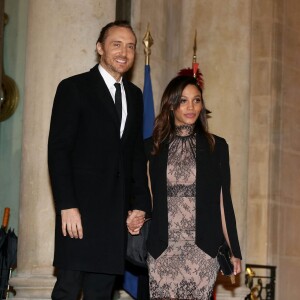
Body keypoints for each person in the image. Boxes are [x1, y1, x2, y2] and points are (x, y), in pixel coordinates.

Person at [48, 20, 151, 299]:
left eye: (130, 47)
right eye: (116, 44)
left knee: (101, 293)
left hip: (114, 216)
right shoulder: (74, 88)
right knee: (68, 289)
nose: (124, 52)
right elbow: (59, 150)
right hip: (79, 214)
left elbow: (134, 156)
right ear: (100, 48)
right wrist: (66, 204)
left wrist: (140, 205)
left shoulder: (135, 95)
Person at [144, 75, 242, 299]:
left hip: (202, 250)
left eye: (196, 100)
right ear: (171, 105)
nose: (191, 107)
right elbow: (145, 197)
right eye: (183, 101)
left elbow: (223, 202)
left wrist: (234, 250)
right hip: (162, 250)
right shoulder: (152, 147)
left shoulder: (217, 146)